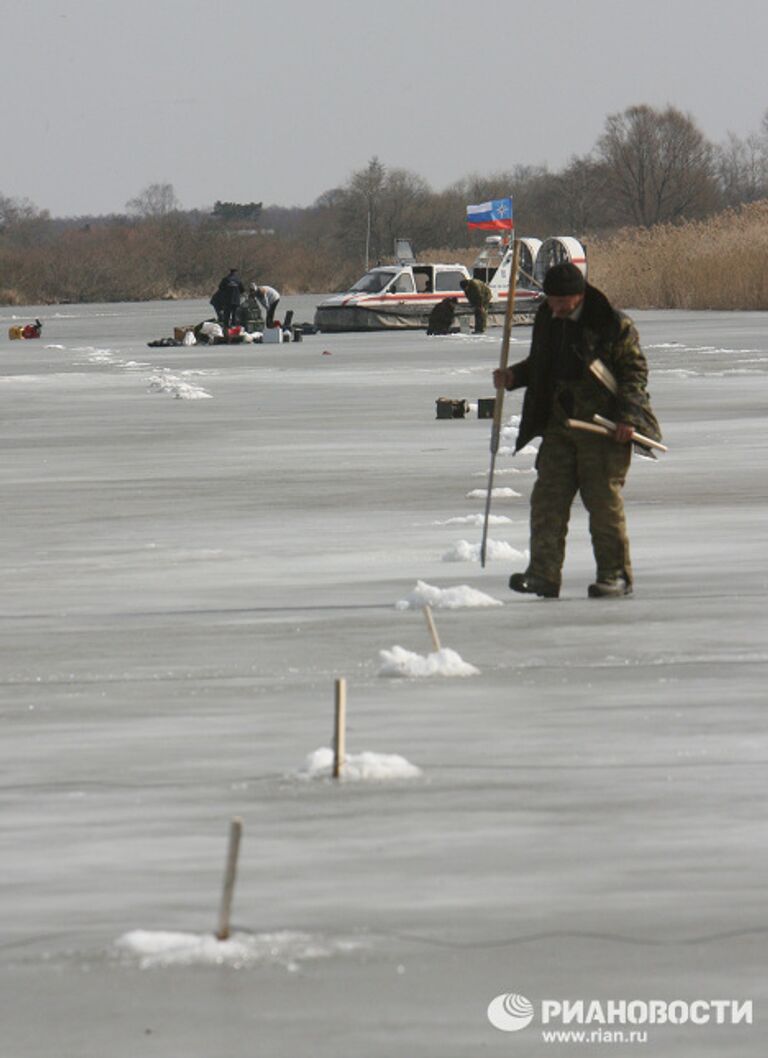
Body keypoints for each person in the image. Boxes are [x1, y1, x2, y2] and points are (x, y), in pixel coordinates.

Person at [493, 262, 661, 599]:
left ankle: (613, 576)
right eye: (550, 300)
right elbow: (542, 364)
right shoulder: (547, 318)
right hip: (559, 424)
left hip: (604, 427)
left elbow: (634, 373)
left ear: (578, 296)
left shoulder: (611, 323)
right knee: (547, 501)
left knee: (602, 504)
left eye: (560, 302)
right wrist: (514, 377)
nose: (553, 308)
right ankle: (543, 574)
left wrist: (628, 417)